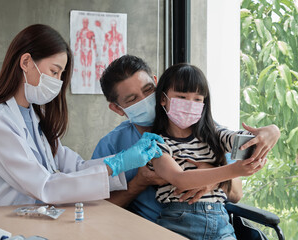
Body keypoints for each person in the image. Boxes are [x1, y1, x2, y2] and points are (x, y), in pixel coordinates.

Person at [0, 24, 164, 209]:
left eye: (61, 74)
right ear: (26, 62)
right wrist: (116, 164)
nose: (57, 81)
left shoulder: (36, 119)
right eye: (54, 72)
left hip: (27, 222)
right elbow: (45, 186)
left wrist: (121, 161)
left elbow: (76, 167)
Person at [92, 55, 280, 223]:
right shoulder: (112, 145)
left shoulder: (202, 128)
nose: (146, 99)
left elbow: (236, 193)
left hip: (216, 223)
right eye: (133, 99)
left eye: (149, 89)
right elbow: (95, 210)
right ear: (117, 109)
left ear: (158, 86)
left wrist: (270, 131)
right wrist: (139, 183)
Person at [148, 63, 273, 240]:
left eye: (198, 99)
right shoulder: (155, 143)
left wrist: (267, 135)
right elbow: (180, 180)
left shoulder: (214, 134)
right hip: (178, 223)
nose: (190, 104)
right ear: (163, 99)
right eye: (181, 97)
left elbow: (244, 141)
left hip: (221, 223)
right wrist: (234, 170)